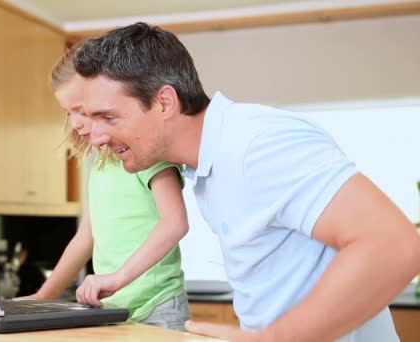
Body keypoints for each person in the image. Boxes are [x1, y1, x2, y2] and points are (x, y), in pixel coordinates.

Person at [73, 22, 420, 341]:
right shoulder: (209, 164)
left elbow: (394, 246)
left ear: (165, 102)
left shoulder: (256, 145)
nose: (97, 137)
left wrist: (276, 337)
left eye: (108, 117)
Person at [23, 47, 191, 331]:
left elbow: (175, 222)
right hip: (113, 309)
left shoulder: (147, 154)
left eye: (80, 110)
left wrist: (118, 277)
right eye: (68, 113)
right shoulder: (100, 166)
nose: (75, 122)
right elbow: (85, 238)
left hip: (157, 306)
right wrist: (43, 296)